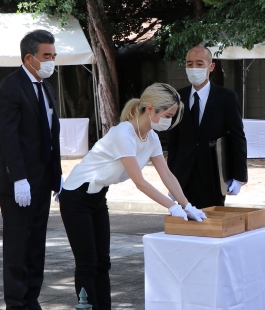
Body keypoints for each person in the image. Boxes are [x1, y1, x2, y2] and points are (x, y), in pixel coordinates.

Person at [59, 83, 207, 310]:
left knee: (103, 262)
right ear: (150, 109)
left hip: (98, 196)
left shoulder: (151, 137)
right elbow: (139, 182)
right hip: (76, 196)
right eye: (167, 115)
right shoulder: (124, 133)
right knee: (87, 263)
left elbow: (166, 174)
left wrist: (187, 205)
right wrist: (171, 206)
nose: (169, 120)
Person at [0, 29, 62, 310]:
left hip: (42, 178)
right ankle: (16, 303)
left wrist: (58, 174)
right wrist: (19, 179)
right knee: (18, 244)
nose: (51, 61)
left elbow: (51, 133)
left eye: (53, 56)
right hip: (16, 181)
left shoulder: (45, 86)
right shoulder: (10, 87)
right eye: (46, 56)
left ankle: (32, 299)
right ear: (29, 58)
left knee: (36, 243)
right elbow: (9, 138)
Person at [167, 45, 248, 209]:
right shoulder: (177, 97)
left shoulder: (226, 98)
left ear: (211, 67)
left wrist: (239, 176)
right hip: (184, 174)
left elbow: (237, 137)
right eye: (189, 64)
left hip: (213, 174)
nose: (194, 68)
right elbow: (173, 141)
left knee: (212, 224)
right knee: (185, 225)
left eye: (199, 63)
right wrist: (171, 178)